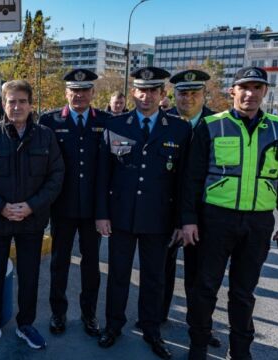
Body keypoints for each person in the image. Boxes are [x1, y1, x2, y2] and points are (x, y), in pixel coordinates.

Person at [181, 67, 278, 360]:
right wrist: (188, 220)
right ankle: (198, 347)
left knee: (244, 293)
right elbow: (192, 179)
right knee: (205, 287)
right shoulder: (210, 125)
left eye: (257, 87)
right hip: (215, 220)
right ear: (232, 91)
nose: (250, 93)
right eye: (244, 87)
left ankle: (241, 351)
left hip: (257, 223)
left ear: (264, 92)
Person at [95, 66, 191, 359]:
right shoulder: (116, 125)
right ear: (133, 93)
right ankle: (113, 326)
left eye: (152, 91)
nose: (146, 96)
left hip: (159, 219)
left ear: (163, 94)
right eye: (141, 90)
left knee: (154, 278)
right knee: (119, 275)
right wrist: (102, 214)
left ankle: (151, 329)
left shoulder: (179, 128)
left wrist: (181, 221)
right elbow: (104, 175)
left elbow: (184, 181)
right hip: (122, 215)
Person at [0, 80, 64, 351]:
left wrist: (32, 205)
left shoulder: (46, 136)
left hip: (31, 221)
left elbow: (56, 177)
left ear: (31, 104)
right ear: (3, 104)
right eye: (11, 101)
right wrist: (0, 206)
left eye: (22, 101)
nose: (17, 106)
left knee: (30, 275)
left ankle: (26, 324)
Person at [38, 69, 107, 337]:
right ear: (66, 93)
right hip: (62, 207)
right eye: (74, 91)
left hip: (92, 209)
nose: (79, 95)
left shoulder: (105, 120)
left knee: (91, 265)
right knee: (59, 263)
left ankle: (89, 314)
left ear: (92, 93)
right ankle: (59, 312)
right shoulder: (50, 121)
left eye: (84, 90)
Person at [160, 69, 221, 347]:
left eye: (194, 93)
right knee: (161, 267)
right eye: (182, 93)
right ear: (174, 95)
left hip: (203, 213)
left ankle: (201, 328)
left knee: (201, 275)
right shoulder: (163, 121)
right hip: (166, 208)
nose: (188, 98)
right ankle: (157, 316)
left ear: (204, 95)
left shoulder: (218, 123)